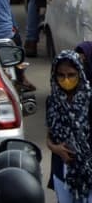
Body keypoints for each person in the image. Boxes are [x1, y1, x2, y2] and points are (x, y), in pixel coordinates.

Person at [46, 50, 92, 203]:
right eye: (61, 75)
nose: (66, 80)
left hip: (88, 170)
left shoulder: (89, 99)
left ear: (79, 73)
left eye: (71, 75)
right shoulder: (52, 101)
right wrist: (55, 148)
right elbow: (49, 135)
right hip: (62, 167)